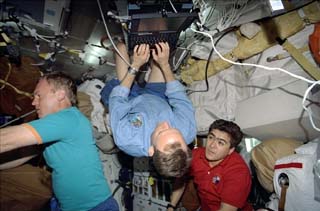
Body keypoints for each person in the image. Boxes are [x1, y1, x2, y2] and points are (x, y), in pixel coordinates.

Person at [0, 72, 119, 211]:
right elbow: (23, 153)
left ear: (60, 95)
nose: (33, 102)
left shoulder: (67, 118)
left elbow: (5, 140)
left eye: (39, 95)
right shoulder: (57, 128)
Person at [100, 42, 197, 177]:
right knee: (158, 47)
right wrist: (164, 65)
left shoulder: (127, 139)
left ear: (151, 151)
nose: (164, 124)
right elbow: (179, 97)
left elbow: (118, 99)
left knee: (121, 47)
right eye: (173, 129)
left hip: (128, 101)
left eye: (161, 132)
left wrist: (135, 65)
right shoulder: (188, 131)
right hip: (159, 99)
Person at [167, 119, 252, 211]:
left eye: (220, 142)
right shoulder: (195, 155)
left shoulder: (239, 172)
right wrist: (171, 206)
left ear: (231, 150)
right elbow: (181, 180)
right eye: (211, 137)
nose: (212, 145)